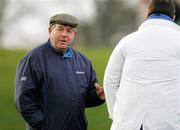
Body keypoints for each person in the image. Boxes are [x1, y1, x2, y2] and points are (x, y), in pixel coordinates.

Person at [15, 13, 105, 130]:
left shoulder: (84, 62)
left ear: (74, 34)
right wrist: (43, 124)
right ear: (50, 30)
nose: (64, 34)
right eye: (60, 29)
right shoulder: (33, 59)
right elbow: (23, 100)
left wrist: (98, 96)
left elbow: (85, 97)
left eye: (69, 31)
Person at [104, 0, 180, 130]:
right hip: (169, 123)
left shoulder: (126, 41)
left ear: (148, 13)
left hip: (127, 124)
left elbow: (110, 81)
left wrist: (116, 115)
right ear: (173, 16)